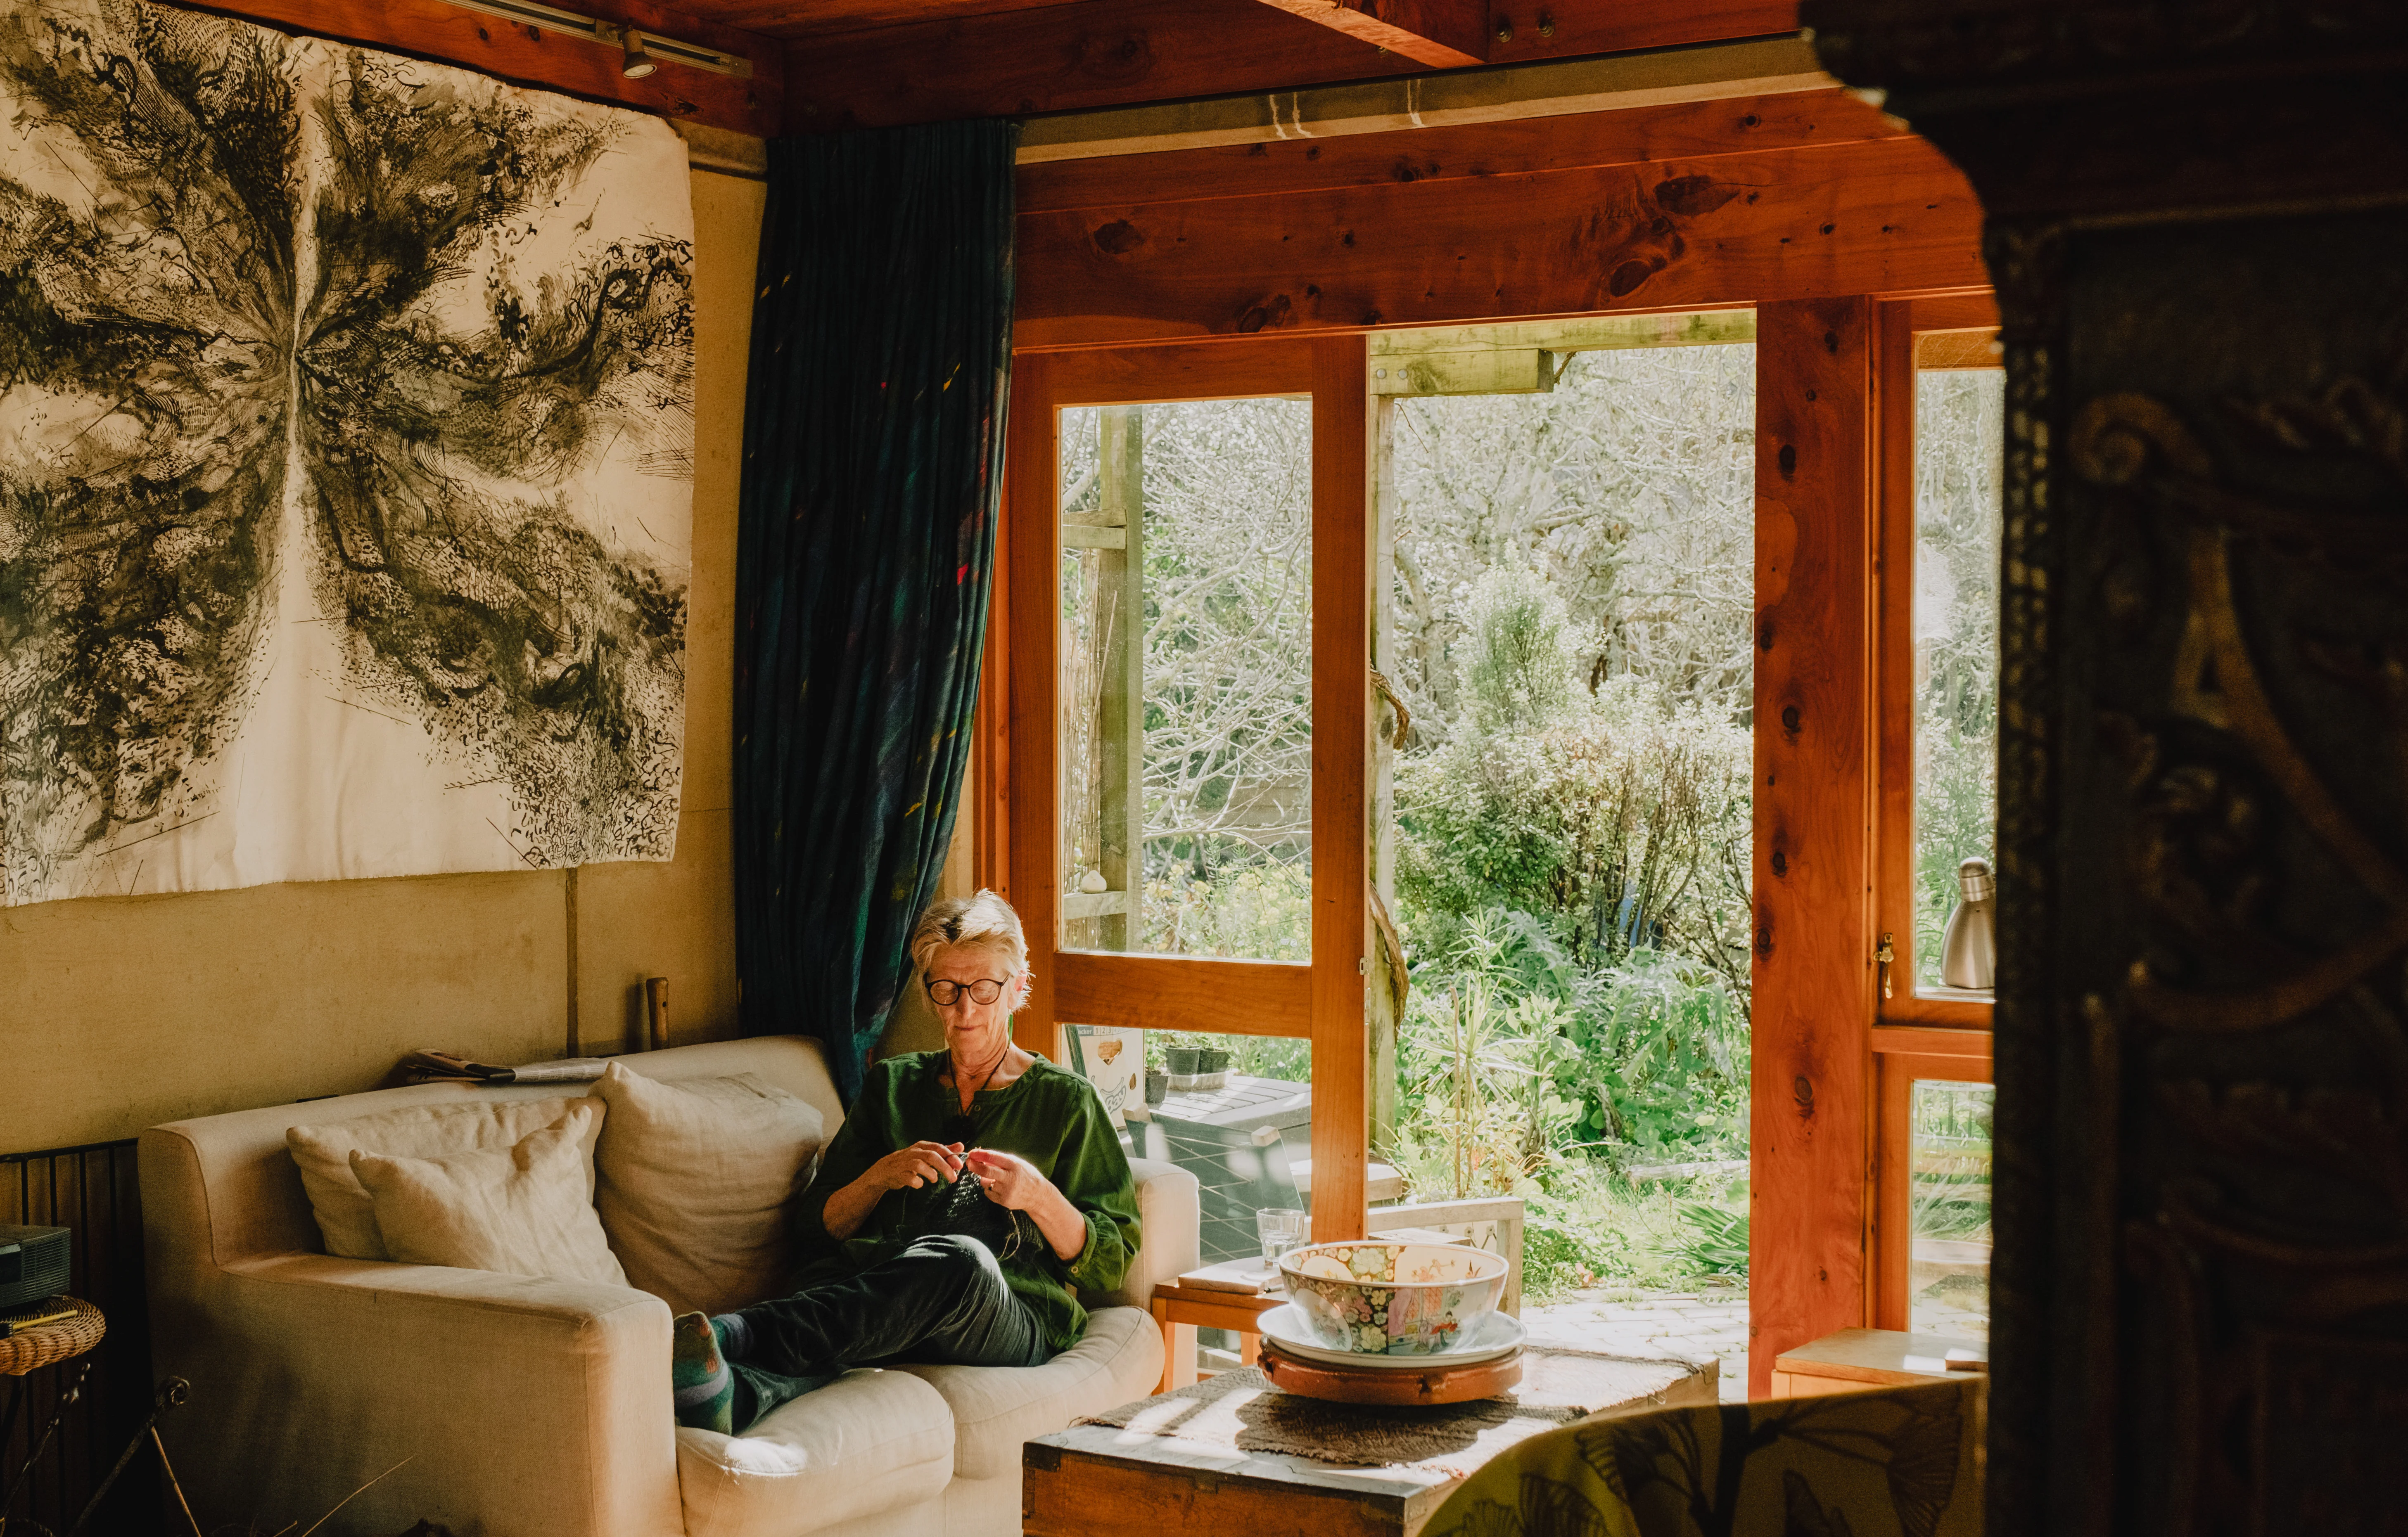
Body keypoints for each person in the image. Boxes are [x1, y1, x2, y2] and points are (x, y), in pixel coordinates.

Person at [671, 890, 1142, 1433]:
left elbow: (1112, 1261)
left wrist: (1038, 1196)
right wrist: (879, 1176)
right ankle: (735, 1396)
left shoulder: (1067, 1100)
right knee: (874, 1312)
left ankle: (740, 1333)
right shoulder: (892, 1085)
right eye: (946, 989)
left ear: (1017, 988)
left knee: (960, 1262)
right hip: (881, 1301)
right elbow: (817, 1227)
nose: (964, 1009)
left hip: (1004, 1313)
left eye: (984, 989)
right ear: (928, 994)